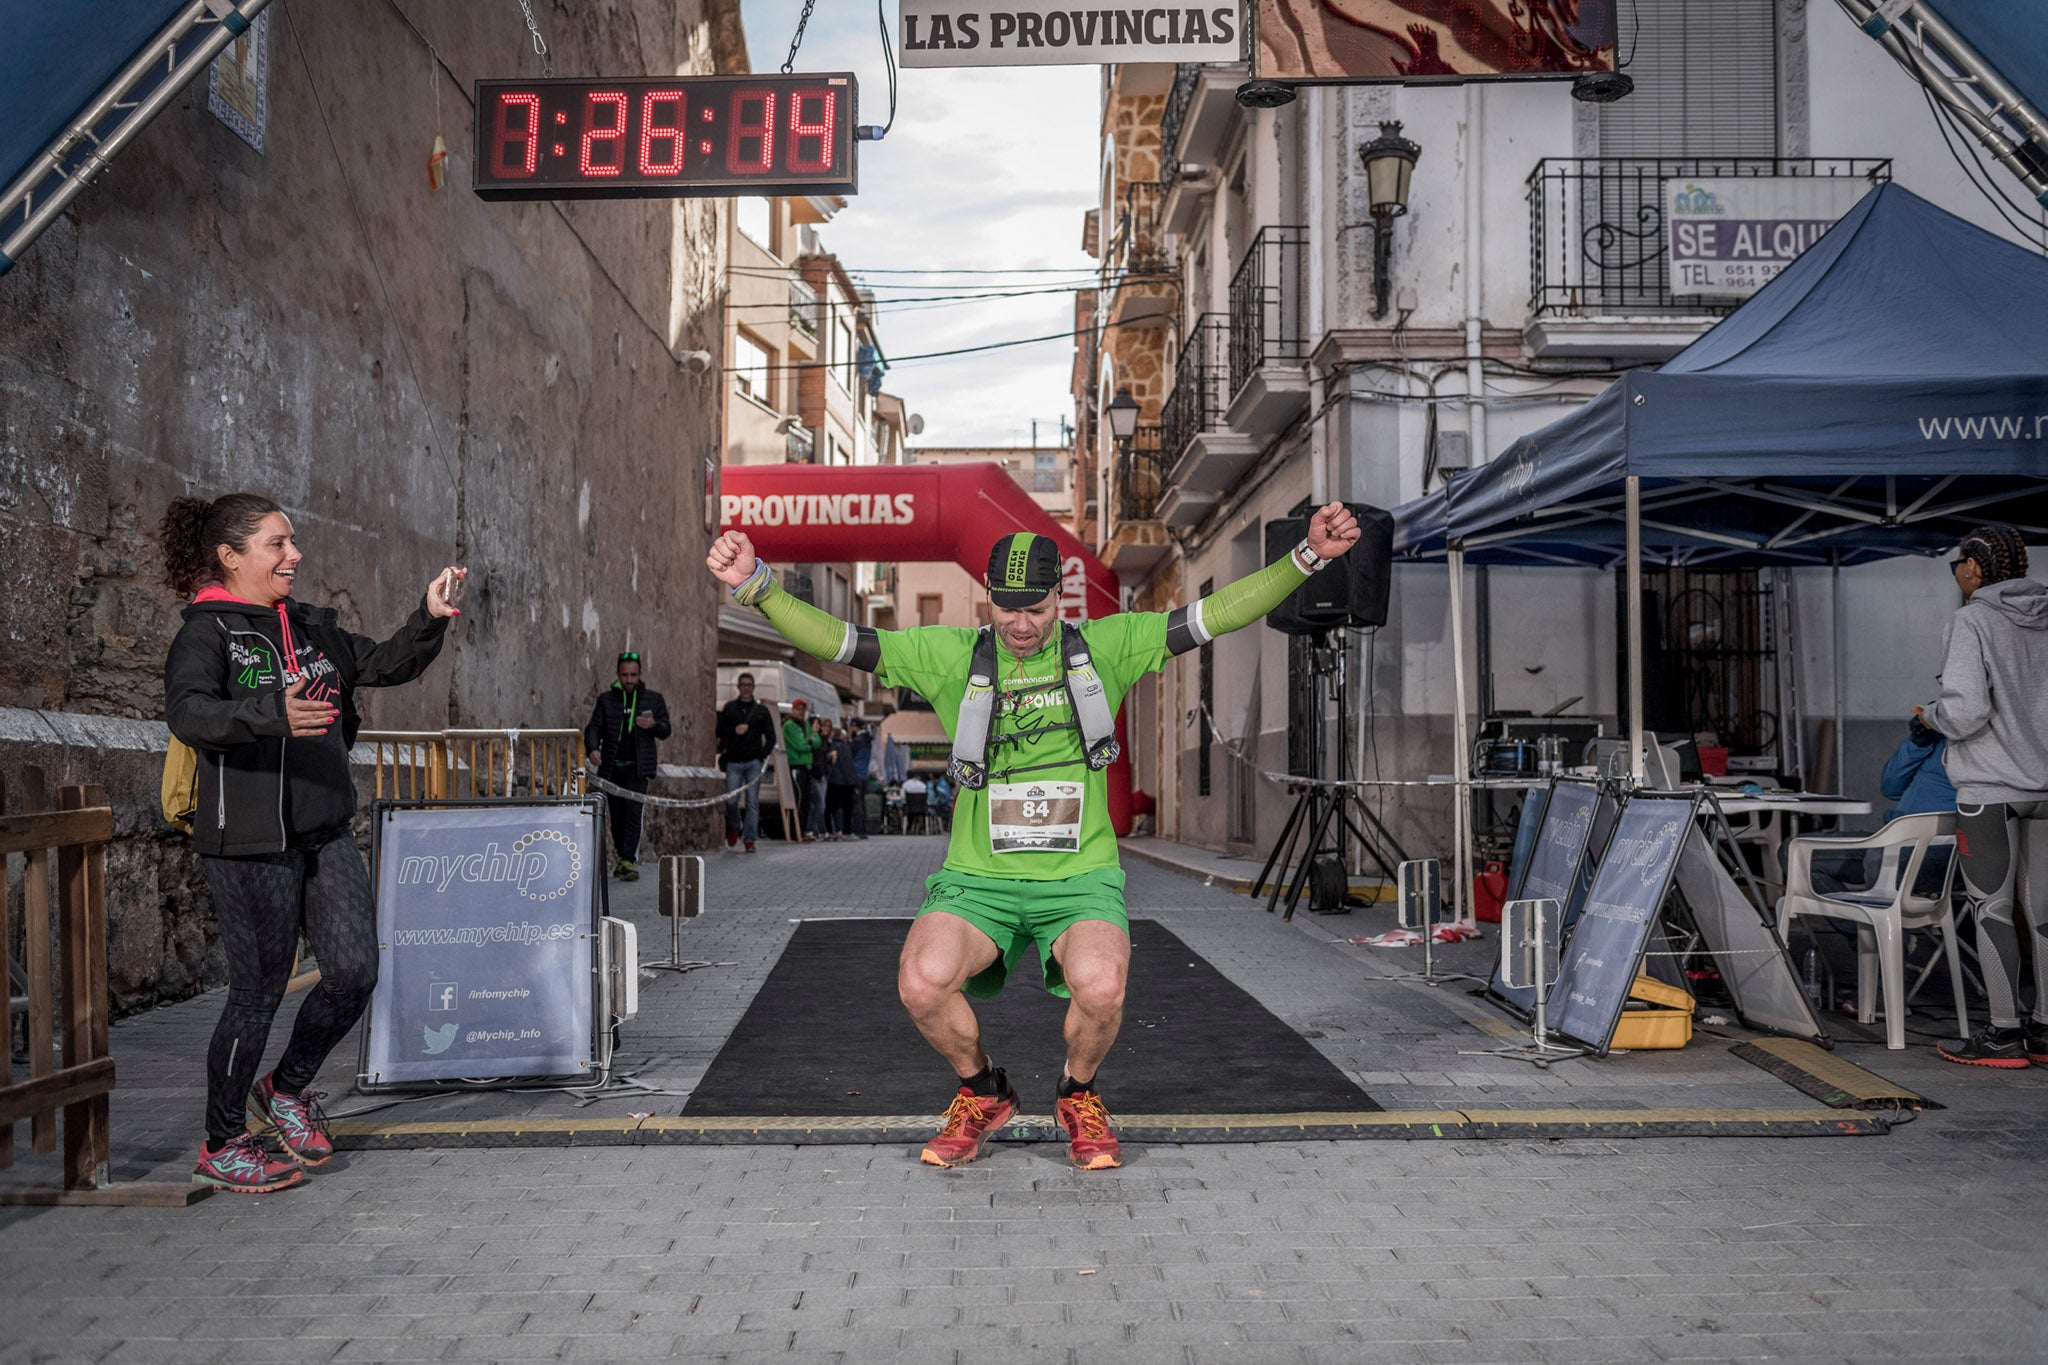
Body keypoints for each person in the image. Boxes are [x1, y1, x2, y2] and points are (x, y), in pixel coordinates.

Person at [706, 506, 1364, 1169]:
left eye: (1038, 610)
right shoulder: (947, 655)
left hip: (1078, 881)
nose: (1022, 625)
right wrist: (757, 582)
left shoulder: (1108, 646)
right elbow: (844, 641)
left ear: (1061, 599)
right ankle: (983, 1090)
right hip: (976, 880)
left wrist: (1306, 558)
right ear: (987, 596)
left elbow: (1216, 614)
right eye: (1008, 608)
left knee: (1102, 986)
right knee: (920, 982)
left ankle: (1077, 1093)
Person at [161, 492, 461, 1193]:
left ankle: (287, 1090)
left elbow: (383, 663)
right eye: (276, 543)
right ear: (230, 557)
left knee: (356, 970)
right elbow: (190, 711)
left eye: (291, 541)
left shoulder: (313, 628)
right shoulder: (206, 635)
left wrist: (429, 615)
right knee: (257, 992)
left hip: (324, 830)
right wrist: (270, 712)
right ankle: (223, 1139)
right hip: (248, 839)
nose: (293, 554)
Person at [1917, 526, 2048, 1067]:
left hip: (1989, 789)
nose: (1955, 574)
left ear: (1973, 568)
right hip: (2047, 788)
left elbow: (1967, 711)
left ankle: (2001, 1033)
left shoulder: (1972, 620)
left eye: (1957, 564)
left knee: (1991, 909)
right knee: (2044, 913)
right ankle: (2044, 1030)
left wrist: (1932, 715)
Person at [583, 652, 671, 881]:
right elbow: (593, 728)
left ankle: (628, 860)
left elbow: (666, 729)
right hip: (612, 768)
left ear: (640, 674)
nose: (629, 680)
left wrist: (652, 725)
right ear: (617, 675)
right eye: (625, 675)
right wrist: (593, 749)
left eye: (633, 675)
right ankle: (622, 856)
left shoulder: (653, 699)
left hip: (639, 769)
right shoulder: (606, 700)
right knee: (617, 815)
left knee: (634, 813)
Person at [716, 671, 775, 853]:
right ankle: (735, 826)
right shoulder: (730, 708)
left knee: (752, 802)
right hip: (733, 761)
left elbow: (771, 738)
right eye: (743, 685)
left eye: (749, 685)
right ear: (739, 687)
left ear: (753, 687)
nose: (746, 688)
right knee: (731, 801)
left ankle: (749, 840)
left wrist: (761, 756)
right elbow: (719, 731)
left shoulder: (761, 711)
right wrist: (735, 730)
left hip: (753, 762)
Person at [780, 698, 818, 840]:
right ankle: (795, 831)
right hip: (796, 765)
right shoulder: (789, 725)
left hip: (806, 766)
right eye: (798, 709)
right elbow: (800, 745)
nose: (801, 712)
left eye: (803, 709)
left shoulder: (806, 724)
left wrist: (809, 742)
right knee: (799, 798)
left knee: (806, 800)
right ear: (793, 710)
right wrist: (809, 742)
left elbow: (817, 741)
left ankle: (801, 830)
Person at [826, 724, 864, 840]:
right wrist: (855, 784)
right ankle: (846, 832)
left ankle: (829, 831)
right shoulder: (845, 747)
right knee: (847, 809)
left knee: (829, 808)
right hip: (845, 783)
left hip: (832, 782)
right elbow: (849, 767)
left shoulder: (830, 746)